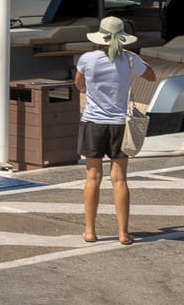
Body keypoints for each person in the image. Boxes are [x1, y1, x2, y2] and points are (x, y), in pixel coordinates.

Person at [75, 15, 157, 245]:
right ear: (122, 39)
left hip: (93, 122)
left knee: (93, 177)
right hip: (120, 124)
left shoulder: (87, 59)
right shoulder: (129, 60)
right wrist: (134, 56)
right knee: (119, 179)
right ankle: (123, 233)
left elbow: (79, 84)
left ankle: (90, 231)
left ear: (100, 38)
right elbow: (151, 76)